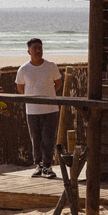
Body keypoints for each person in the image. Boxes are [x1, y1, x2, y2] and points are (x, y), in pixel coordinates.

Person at [15, 37, 63, 179]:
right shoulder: (24, 69)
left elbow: (58, 83)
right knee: (35, 139)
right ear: (28, 51)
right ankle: (38, 166)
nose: (38, 51)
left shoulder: (51, 66)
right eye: (35, 48)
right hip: (32, 110)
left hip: (50, 109)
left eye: (40, 48)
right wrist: (32, 99)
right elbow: (20, 88)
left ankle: (48, 166)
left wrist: (49, 95)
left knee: (48, 138)